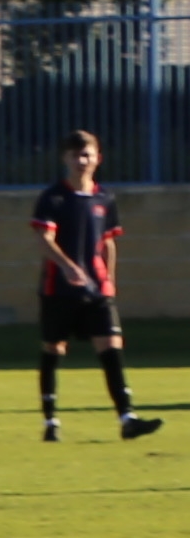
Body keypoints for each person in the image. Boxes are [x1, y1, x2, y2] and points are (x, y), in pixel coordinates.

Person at [28, 128, 159, 443]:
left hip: (98, 291)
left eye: (87, 155)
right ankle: (51, 421)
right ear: (65, 159)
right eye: (75, 155)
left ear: (98, 158)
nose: (81, 161)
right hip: (58, 289)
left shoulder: (104, 198)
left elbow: (108, 242)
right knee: (54, 349)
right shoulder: (53, 197)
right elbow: (44, 239)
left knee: (111, 347)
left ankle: (127, 419)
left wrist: (109, 279)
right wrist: (67, 266)